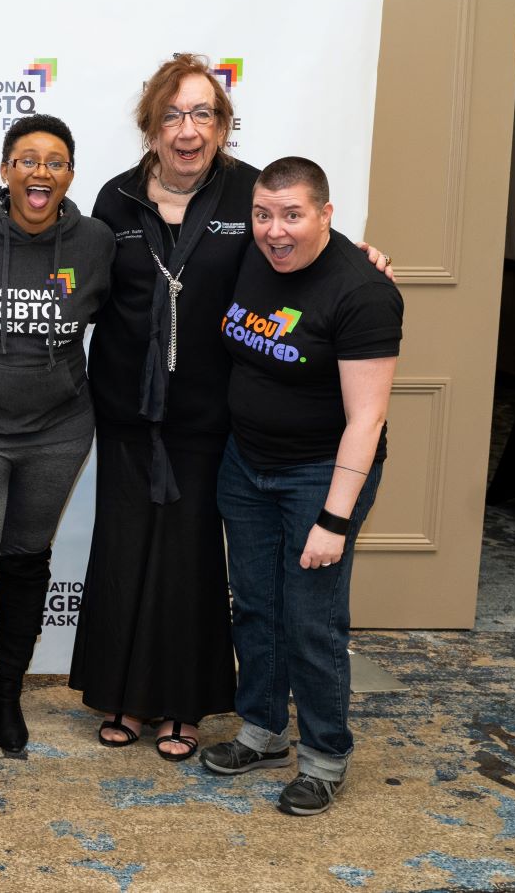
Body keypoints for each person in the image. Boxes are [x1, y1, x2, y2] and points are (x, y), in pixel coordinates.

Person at [69, 54, 391, 761]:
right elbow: (84, 283)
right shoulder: (116, 198)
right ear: (150, 128)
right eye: (173, 115)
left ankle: (183, 705)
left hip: (215, 416)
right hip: (126, 410)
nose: (188, 129)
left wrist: (358, 257)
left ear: (222, 126)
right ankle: (120, 692)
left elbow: (300, 246)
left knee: (191, 563)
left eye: (203, 114)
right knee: (123, 551)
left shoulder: (249, 193)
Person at [200, 156, 402, 817]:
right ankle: (262, 728)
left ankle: (324, 756)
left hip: (322, 473)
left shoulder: (362, 290)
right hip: (246, 463)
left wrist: (335, 519)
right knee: (256, 605)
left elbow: (367, 417)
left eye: (293, 215)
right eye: (264, 214)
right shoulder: (255, 257)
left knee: (311, 621)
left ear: (326, 214)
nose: (276, 230)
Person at [0, 115, 114, 769]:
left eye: (56, 161)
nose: (41, 171)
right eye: (27, 159)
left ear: (69, 175)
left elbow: (140, 313)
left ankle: (7, 693)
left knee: (28, 557)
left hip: (58, 430)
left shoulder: (95, 243)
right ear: (5, 169)